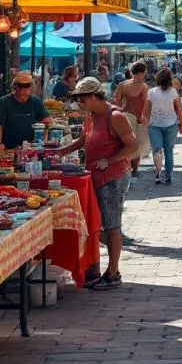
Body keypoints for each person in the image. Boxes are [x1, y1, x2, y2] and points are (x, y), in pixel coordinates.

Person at [54, 77, 137, 290]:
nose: (79, 104)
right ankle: (95, 267)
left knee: (112, 225)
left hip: (113, 177)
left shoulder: (115, 116)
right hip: (96, 176)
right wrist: (61, 152)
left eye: (81, 99)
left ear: (93, 96)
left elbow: (133, 146)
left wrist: (109, 160)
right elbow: (84, 139)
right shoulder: (91, 117)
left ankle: (113, 272)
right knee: (96, 224)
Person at [142, 67, 182, 185]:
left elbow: (145, 110)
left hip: (154, 125)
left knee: (157, 150)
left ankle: (158, 173)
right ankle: (168, 176)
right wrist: (181, 124)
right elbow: (179, 110)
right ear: (169, 79)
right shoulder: (173, 92)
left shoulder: (151, 92)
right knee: (169, 152)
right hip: (171, 125)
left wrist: (146, 121)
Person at [0, 72, 53, 151]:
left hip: (30, 149)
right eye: (20, 86)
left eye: (26, 86)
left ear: (31, 87)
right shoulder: (4, 102)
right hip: (9, 149)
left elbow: (49, 122)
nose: (23, 89)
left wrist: (43, 140)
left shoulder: (35, 101)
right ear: (15, 86)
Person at [114, 61, 150, 176]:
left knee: (124, 144)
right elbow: (145, 104)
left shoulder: (123, 85)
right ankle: (134, 170)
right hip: (137, 119)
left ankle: (125, 167)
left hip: (123, 116)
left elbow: (116, 102)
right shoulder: (144, 86)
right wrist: (142, 117)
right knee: (137, 145)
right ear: (141, 73)